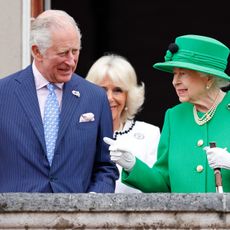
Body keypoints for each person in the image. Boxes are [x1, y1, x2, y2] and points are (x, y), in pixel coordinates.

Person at [0, 9, 119, 192]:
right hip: (13, 216)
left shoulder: (95, 97)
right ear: (37, 52)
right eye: (63, 53)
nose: (71, 61)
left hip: (77, 217)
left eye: (75, 51)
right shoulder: (4, 94)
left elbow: (105, 167)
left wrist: (94, 201)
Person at [104, 34, 230, 193]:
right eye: (174, 74)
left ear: (209, 78)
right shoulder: (174, 117)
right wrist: (133, 165)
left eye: (182, 73)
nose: (175, 81)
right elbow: (163, 184)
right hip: (184, 217)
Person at [86, 54, 160, 192]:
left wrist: (133, 166)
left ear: (128, 95)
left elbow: (158, 187)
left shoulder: (149, 134)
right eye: (102, 90)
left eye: (117, 90)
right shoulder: (78, 132)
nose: (109, 98)